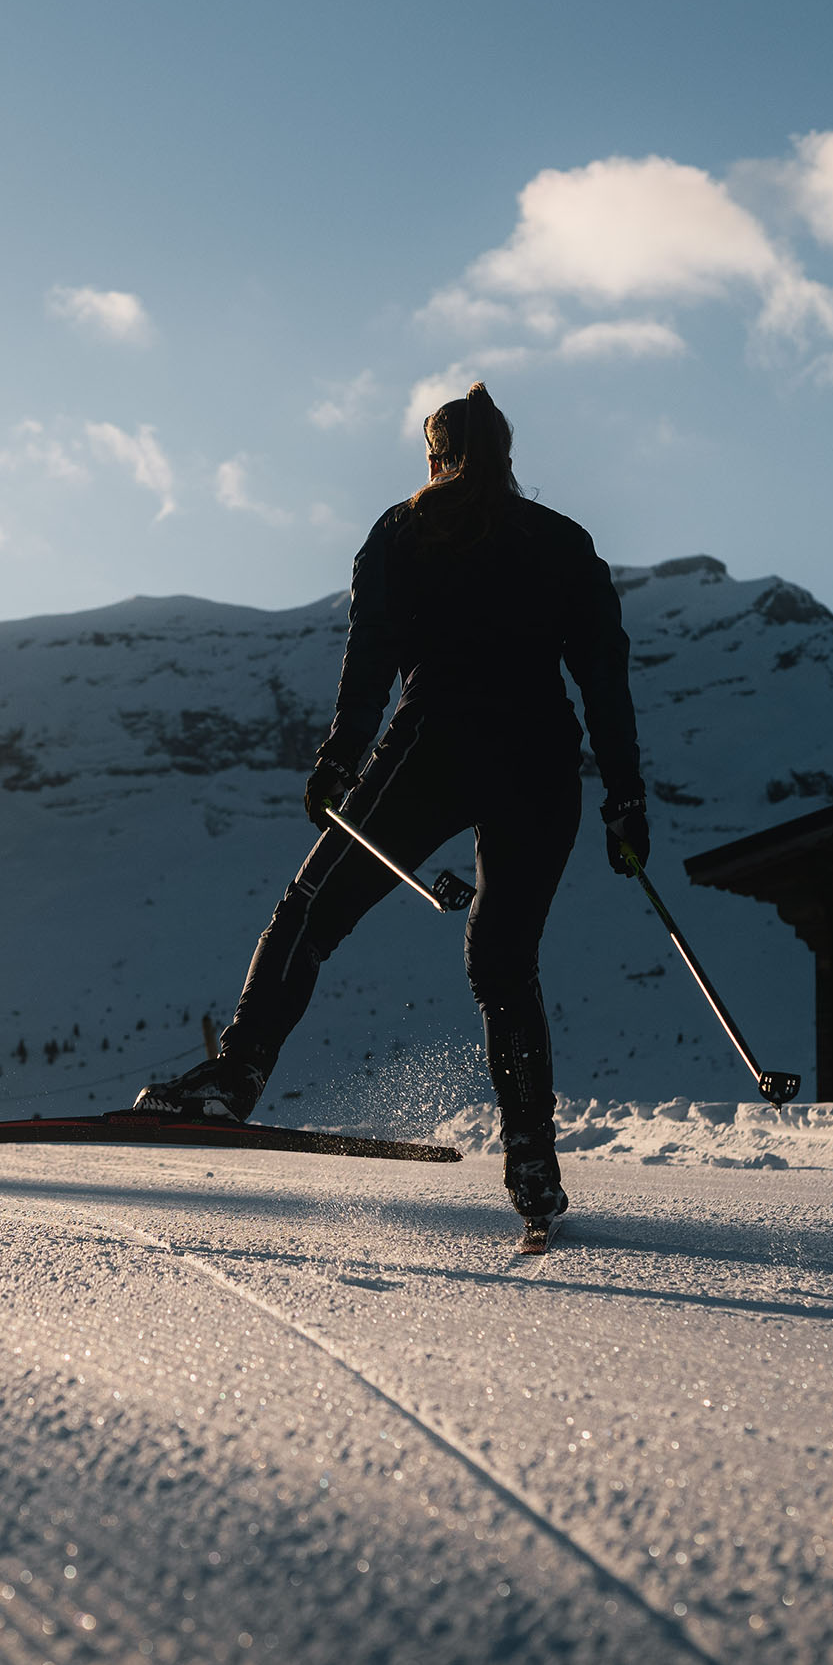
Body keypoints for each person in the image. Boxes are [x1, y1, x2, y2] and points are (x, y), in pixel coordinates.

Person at [136, 382, 648, 1229]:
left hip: (432, 748)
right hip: (541, 765)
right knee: (503, 963)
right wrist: (624, 796)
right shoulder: (561, 540)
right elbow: (604, 671)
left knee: (309, 909)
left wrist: (339, 756)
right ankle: (529, 1152)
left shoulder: (405, 526)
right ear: (506, 456)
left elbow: (371, 648)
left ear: (435, 455)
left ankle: (236, 1078)